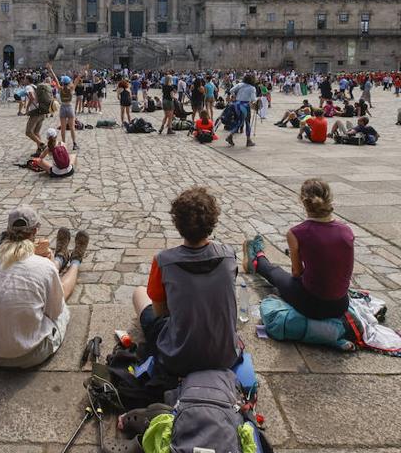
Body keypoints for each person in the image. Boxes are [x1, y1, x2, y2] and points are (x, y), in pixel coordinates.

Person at [131, 187, 240, 376]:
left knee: (139, 294)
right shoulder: (229, 256)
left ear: (177, 223)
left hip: (178, 358)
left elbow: (160, 311)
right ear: (212, 222)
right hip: (225, 355)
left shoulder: (163, 261)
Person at [0, 206, 89, 368]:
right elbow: (54, 312)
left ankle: (61, 258)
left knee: (43, 276)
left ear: (8, 230)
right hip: (29, 354)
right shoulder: (43, 266)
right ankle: (75, 260)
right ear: (35, 231)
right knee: (60, 301)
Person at [243, 179, 354, 321]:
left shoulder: (296, 233)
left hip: (312, 305)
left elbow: (297, 273)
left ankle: (258, 259)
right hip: (340, 305)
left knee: (276, 273)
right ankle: (258, 258)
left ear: (303, 202)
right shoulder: (347, 231)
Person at [226, 73, 258, 147]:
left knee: (239, 121)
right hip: (245, 106)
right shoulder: (252, 88)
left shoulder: (240, 84)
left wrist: (233, 96)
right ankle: (248, 140)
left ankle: (231, 135)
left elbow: (231, 90)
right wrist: (257, 100)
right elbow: (253, 99)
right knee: (247, 122)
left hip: (236, 104)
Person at [49, 66, 77, 150]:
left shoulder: (60, 89)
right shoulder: (71, 89)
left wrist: (51, 69)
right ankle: (74, 144)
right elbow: (77, 79)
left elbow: (55, 79)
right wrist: (84, 71)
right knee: (72, 127)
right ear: (69, 82)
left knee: (63, 128)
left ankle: (64, 144)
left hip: (63, 107)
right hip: (69, 107)